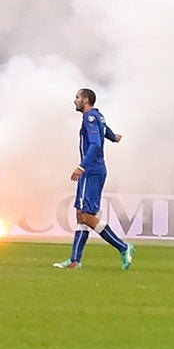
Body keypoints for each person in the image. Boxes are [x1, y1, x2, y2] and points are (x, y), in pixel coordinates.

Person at [56, 88, 133, 269]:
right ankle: (75, 260)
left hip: (91, 170)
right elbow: (104, 130)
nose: (74, 100)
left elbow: (96, 144)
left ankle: (123, 247)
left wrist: (81, 167)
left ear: (86, 100)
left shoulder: (88, 117)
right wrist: (114, 137)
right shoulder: (98, 116)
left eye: (77, 97)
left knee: (87, 216)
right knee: (80, 215)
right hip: (95, 170)